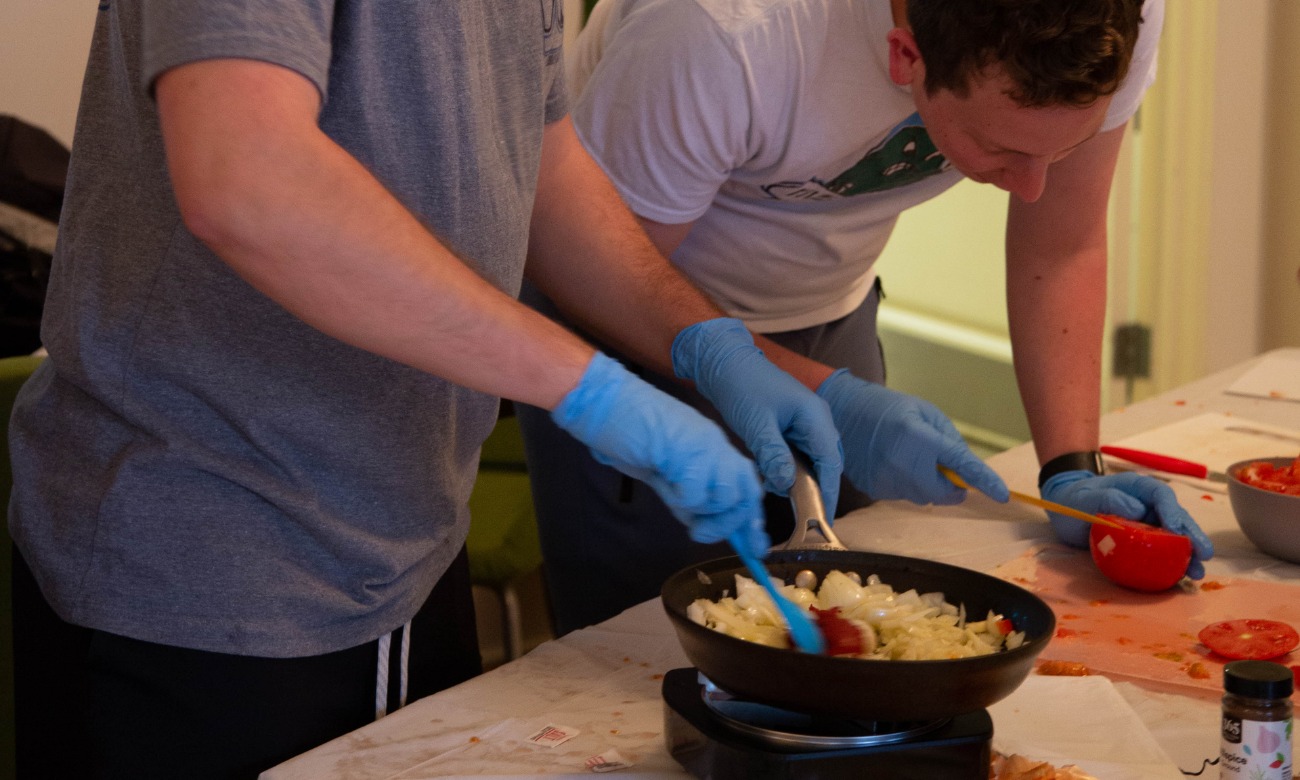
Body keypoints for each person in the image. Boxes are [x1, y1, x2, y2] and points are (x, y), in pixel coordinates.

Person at [0, 0, 964, 776]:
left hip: (401, 527)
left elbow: (543, 164)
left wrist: (714, 347)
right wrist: (584, 385)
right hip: (227, 548)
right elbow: (245, 176)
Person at [518, 0, 1215, 634]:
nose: (1032, 185)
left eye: (1058, 151)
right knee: (652, 649)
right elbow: (590, 269)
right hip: (629, 322)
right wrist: (820, 391)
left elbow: (1060, 244)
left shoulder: (1116, 19)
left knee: (849, 618)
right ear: (905, 56)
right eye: (1002, 151)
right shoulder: (720, 30)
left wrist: (1069, 466)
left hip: (831, 310)